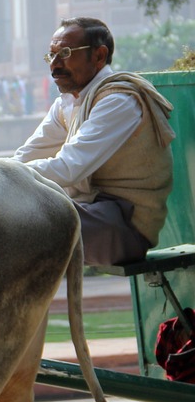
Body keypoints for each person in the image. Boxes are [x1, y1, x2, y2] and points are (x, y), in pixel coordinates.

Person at [14, 16, 176, 266]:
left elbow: (68, 168)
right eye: (51, 55)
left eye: (65, 53)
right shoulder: (67, 103)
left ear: (99, 56)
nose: (55, 65)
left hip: (123, 228)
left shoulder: (119, 100)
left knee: (13, 222)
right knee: (4, 212)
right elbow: (25, 157)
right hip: (90, 212)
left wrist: (0, 177)